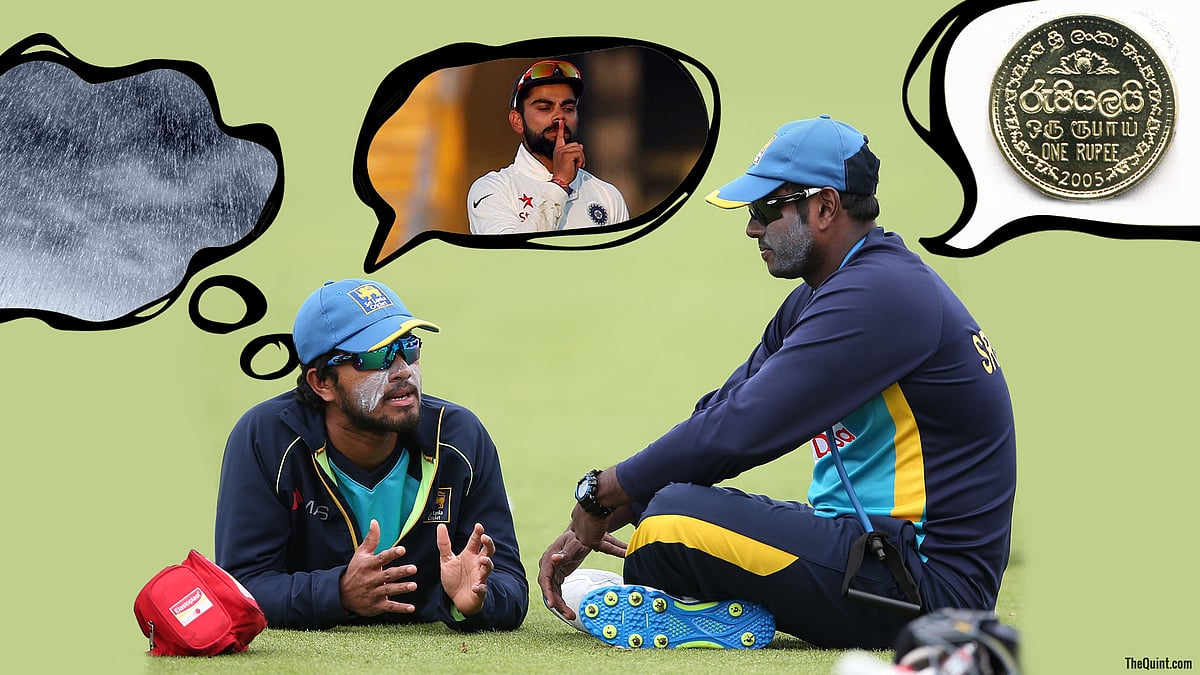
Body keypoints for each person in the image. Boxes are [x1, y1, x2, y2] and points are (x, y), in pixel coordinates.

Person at [537, 115, 1017, 650]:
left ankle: (697, 607)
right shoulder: (827, 293)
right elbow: (722, 408)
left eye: (767, 209)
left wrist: (604, 491)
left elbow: (742, 428)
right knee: (659, 504)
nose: (751, 227)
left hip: (924, 587)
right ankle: (711, 604)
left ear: (826, 207)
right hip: (875, 552)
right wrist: (622, 503)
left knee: (671, 521)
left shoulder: (883, 295)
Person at [215, 278, 528, 631]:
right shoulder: (267, 438)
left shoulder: (459, 438)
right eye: (377, 357)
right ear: (322, 383)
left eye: (409, 348)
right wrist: (338, 593)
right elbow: (241, 588)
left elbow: (511, 587)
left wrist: (475, 602)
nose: (403, 371)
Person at [467, 59, 629, 234]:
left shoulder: (607, 195)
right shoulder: (492, 188)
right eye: (544, 108)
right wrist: (559, 184)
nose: (559, 116)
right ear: (517, 121)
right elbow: (509, 256)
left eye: (568, 108)